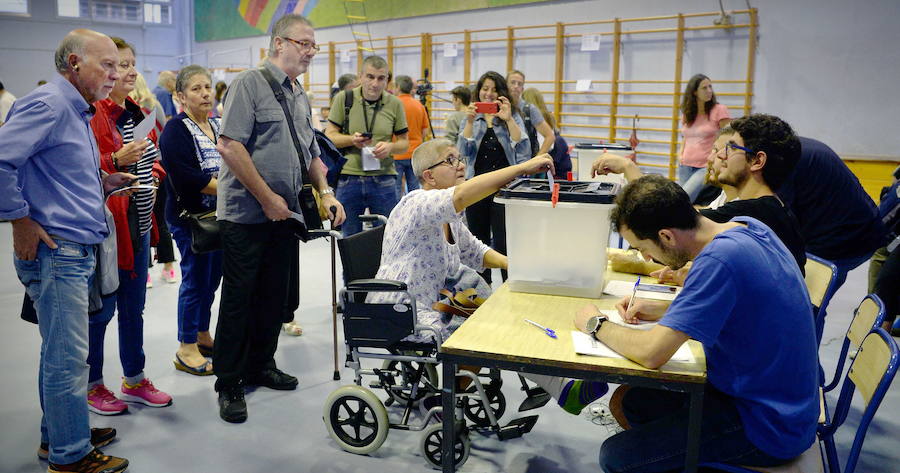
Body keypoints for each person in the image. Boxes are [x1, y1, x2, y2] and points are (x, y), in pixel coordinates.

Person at [573, 174, 818, 472]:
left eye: (642, 247)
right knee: (634, 401)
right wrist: (667, 311)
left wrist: (596, 324)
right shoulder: (747, 227)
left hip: (766, 424)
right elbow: (741, 304)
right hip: (779, 402)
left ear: (666, 236)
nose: (645, 257)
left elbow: (652, 353)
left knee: (617, 457)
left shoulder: (719, 260)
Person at [371, 138, 607, 413]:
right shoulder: (417, 203)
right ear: (429, 176)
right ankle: (554, 387)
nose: (460, 165)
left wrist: (522, 266)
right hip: (402, 309)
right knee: (485, 331)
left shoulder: (451, 216)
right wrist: (520, 168)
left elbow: (477, 252)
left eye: (459, 158)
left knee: (498, 319)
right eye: (450, 160)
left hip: (434, 302)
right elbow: (461, 195)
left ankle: (558, 386)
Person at [0, 28, 131, 473]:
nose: (116, 74)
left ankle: (59, 432)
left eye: (118, 66)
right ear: (75, 64)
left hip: (73, 249)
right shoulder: (49, 103)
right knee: (68, 358)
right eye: (107, 65)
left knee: (59, 352)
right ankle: (70, 456)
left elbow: (53, 172)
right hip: (59, 252)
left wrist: (102, 182)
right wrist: (19, 218)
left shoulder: (75, 109)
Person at [214, 13, 346, 423]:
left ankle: (261, 364)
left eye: (313, 45)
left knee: (275, 296)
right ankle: (230, 382)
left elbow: (310, 153)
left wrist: (325, 193)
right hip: (246, 216)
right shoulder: (249, 85)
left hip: (285, 215)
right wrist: (266, 197)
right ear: (279, 44)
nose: (310, 52)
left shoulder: (299, 94)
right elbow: (230, 145)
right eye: (303, 43)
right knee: (239, 299)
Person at [594, 114, 807, 274]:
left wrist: (629, 168)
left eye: (731, 149)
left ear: (757, 161)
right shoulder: (769, 209)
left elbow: (666, 222)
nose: (720, 157)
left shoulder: (753, 217)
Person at [88, 36, 173, 415]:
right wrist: (116, 159)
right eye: (121, 64)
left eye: (131, 64)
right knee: (101, 311)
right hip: (107, 234)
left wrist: (152, 176)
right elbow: (88, 169)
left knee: (133, 308)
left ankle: (134, 379)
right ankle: (93, 386)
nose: (131, 71)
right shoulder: (93, 114)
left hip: (138, 227)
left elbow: (153, 158)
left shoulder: (138, 113)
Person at [159, 65, 222, 376]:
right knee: (195, 281)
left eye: (208, 87)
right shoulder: (175, 130)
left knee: (212, 280)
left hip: (220, 217)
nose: (206, 93)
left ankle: (201, 333)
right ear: (181, 96)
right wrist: (234, 189)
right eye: (197, 89)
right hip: (190, 219)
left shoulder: (218, 125)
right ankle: (186, 347)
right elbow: (186, 178)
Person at [778, 137, 886, 290]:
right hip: (848, 228)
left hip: (846, 237)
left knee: (803, 299)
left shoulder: (784, 163)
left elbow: (778, 220)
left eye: (733, 149)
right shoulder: (792, 148)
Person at [458, 71, 530, 284]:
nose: (488, 94)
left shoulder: (511, 115)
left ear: (501, 93)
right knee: (477, 243)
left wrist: (508, 120)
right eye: (484, 89)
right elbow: (462, 153)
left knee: (505, 242)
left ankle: (511, 285)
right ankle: (480, 290)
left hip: (504, 190)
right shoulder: (472, 116)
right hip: (476, 188)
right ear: (478, 91)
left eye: (494, 89)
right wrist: (470, 122)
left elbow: (523, 151)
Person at [326, 55, 409, 236]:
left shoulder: (394, 104)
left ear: (387, 80)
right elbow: (329, 137)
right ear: (361, 77)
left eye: (381, 78)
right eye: (370, 77)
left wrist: (390, 147)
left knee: (389, 238)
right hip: (349, 178)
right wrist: (351, 140)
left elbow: (404, 143)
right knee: (349, 238)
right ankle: (353, 267)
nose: (375, 83)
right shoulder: (344, 99)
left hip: (384, 179)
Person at [130, 72, 178, 286]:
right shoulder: (156, 105)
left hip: (137, 168)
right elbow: (165, 132)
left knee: (141, 221)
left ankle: (146, 272)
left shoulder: (127, 109)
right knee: (161, 219)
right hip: (159, 166)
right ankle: (168, 268)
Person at [677, 74, 731, 202]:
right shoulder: (688, 113)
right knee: (685, 201)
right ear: (695, 92)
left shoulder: (719, 110)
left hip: (705, 166)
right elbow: (685, 137)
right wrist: (680, 155)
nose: (709, 91)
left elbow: (728, 138)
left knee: (683, 200)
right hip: (685, 165)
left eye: (710, 87)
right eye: (704, 88)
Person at [393, 74, 431, 196]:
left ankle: (396, 214)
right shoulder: (419, 106)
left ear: (398, 87)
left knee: (396, 189)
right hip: (414, 153)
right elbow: (425, 131)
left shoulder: (393, 105)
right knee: (414, 188)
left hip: (396, 153)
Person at [522, 87, 571, 180]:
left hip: (553, 164)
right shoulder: (548, 115)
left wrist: (534, 161)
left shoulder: (536, 118)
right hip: (557, 163)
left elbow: (547, 142)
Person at [507, 70, 554, 156]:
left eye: (519, 84)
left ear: (522, 89)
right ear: (505, 85)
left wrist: (537, 159)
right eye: (513, 82)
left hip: (524, 161)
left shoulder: (529, 109)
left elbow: (550, 136)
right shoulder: (499, 107)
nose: (516, 86)